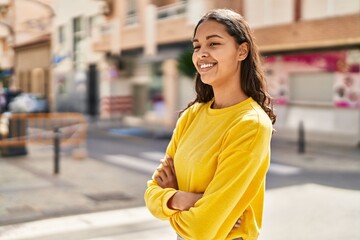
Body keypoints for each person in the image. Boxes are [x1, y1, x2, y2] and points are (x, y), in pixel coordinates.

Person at [144, 9, 276, 240]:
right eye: (197, 46)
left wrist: (171, 201)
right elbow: (151, 194)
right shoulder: (192, 115)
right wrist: (183, 200)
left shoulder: (250, 124)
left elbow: (201, 228)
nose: (201, 54)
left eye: (213, 44)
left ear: (241, 51)